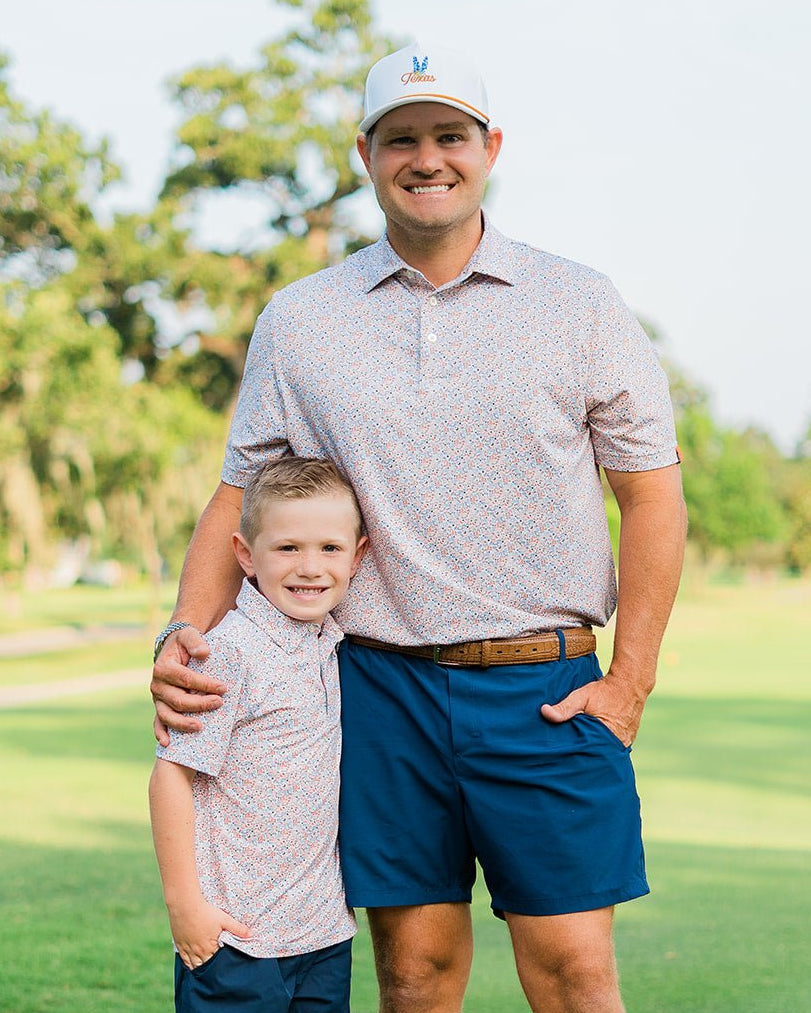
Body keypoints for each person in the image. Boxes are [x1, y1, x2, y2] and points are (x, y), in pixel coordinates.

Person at [151, 41, 688, 1013]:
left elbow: (651, 494)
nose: (426, 157)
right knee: (413, 973)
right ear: (365, 154)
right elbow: (239, 491)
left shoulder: (578, 302)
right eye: (401, 138)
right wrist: (184, 636)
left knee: (573, 973)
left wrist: (630, 681)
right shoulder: (302, 316)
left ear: (489, 147)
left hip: (545, 686)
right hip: (378, 687)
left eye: (448, 135)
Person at [149, 457, 368, 1013]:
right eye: (288, 548)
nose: (311, 567)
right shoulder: (229, 653)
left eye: (330, 549)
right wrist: (184, 906)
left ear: (358, 555)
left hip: (321, 935)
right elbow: (170, 778)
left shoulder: (330, 644)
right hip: (236, 939)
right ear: (246, 555)